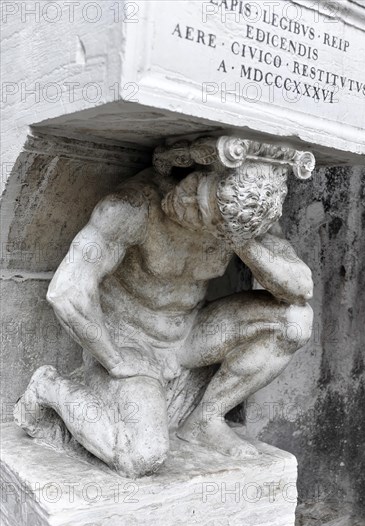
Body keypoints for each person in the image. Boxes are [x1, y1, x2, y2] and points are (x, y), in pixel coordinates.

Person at [14, 161, 313, 478]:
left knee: (295, 321)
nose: (183, 200)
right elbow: (66, 292)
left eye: (199, 209)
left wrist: (240, 238)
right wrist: (115, 362)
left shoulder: (235, 221)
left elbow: (300, 288)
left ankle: (204, 421)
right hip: (132, 344)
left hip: (189, 333)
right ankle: (49, 387)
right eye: (193, 188)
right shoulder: (132, 207)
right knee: (141, 457)